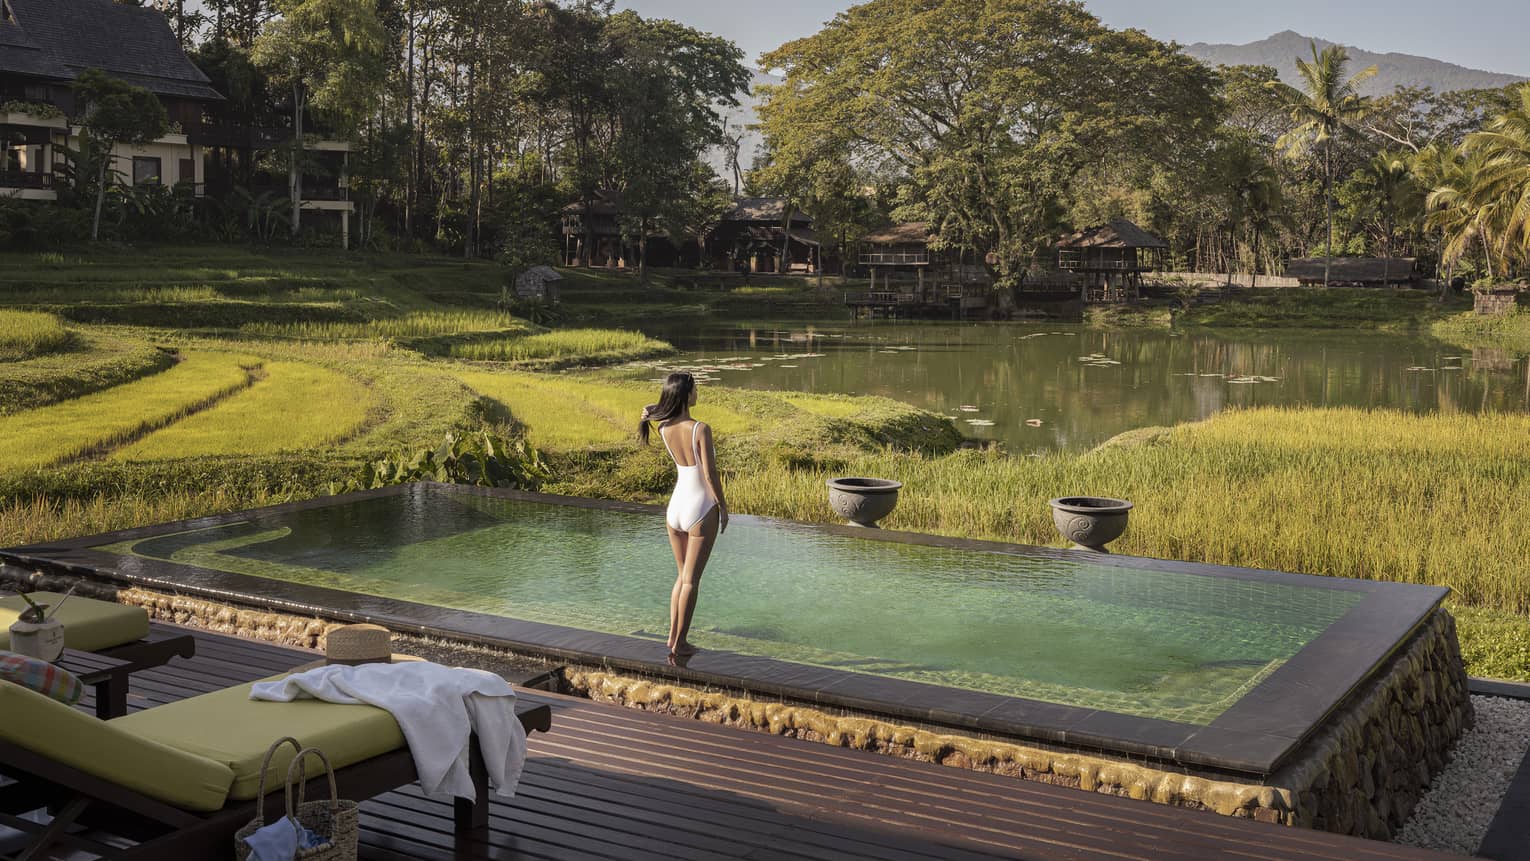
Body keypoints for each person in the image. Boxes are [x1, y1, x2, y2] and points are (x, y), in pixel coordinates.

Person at [639, 372, 728, 656]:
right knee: (691, 580)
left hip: (675, 507)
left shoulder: (664, 428)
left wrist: (652, 410)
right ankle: (681, 643)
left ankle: (672, 638)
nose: (698, 393)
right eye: (695, 389)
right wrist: (722, 506)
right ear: (686, 394)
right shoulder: (700, 429)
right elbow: (710, 473)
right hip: (700, 506)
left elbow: (655, 412)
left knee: (681, 577)